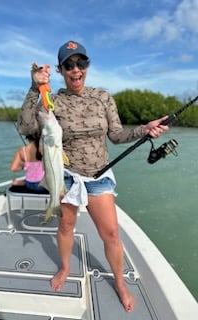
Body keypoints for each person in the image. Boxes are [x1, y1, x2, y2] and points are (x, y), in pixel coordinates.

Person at [17, 40, 169, 312]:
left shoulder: (103, 97)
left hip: (98, 176)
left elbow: (117, 135)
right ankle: (65, 268)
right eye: (69, 65)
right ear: (62, 70)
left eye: (81, 63)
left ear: (87, 66)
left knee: (110, 233)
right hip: (65, 175)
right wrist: (33, 88)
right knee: (65, 226)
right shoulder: (52, 100)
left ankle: (120, 283)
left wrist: (144, 130)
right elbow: (26, 126)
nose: (76, 70)